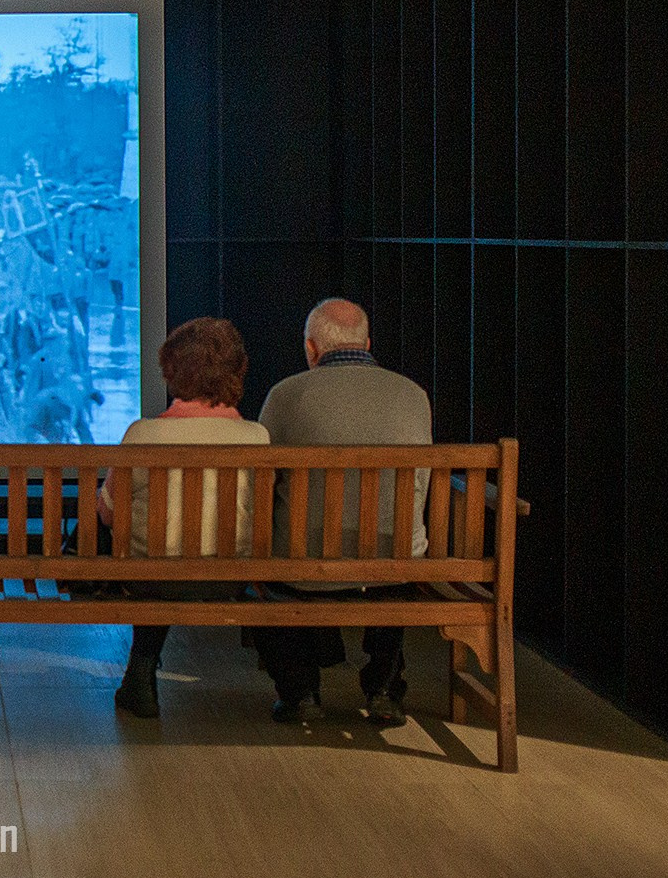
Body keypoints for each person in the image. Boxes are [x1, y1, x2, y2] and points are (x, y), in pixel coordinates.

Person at [251, 298, 430, 727]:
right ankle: (385, 689)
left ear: (311, 349)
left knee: (269, 565)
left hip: (304, 564)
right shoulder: (413, 394)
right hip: (395, 562)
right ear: (367, 343)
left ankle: (300, 693)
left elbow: (262, 477)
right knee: (390, 552)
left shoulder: (286, 394)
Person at [96, 318, 269, 719]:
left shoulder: (141, 434)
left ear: (170, 372)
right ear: (238, 370)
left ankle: (140, 678)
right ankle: (295, 690)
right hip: (230, 577)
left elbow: (108, 515)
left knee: (154, 559)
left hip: (150, 579)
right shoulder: (256, 437)